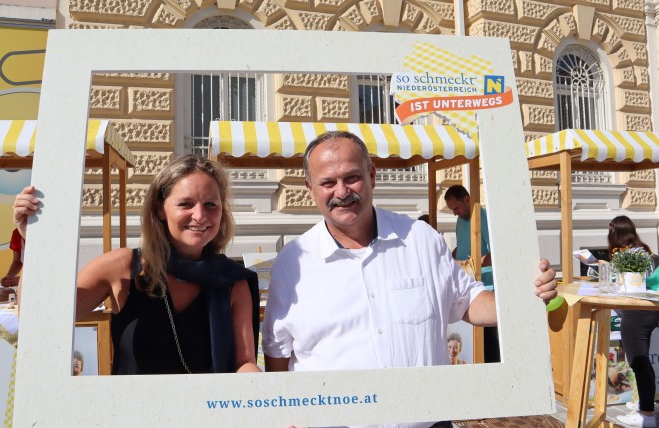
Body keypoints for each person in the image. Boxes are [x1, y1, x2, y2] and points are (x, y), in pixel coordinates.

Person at [261, 131, 557, 428]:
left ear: (372, 175)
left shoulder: (420, 239)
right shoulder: (293, 262)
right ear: (310, 189)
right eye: (328, 182)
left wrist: (526, 295)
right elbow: (277, 355)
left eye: (352, 177)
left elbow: (469, 301)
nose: (341, 191)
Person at [13, 154, 261, 375]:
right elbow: (41, 318)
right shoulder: (123, 266)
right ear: (160, 209)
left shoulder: (231, 280)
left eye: (211, 205)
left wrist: (262, 396)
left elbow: (245, 362)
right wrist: (34, 243)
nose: (200, 215)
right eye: (185, 204)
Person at [609, 216, 658, 428]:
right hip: (647, 309)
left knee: (639, 361)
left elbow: (632, 284)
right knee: (642, 360)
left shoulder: (631, 254)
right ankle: (643, 404)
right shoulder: (643, 249)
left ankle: (646, 415)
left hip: (636, 309)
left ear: (616, 233)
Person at [443, 184, 499, 363]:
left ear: (467, 200)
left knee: (488, 348)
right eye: (452, 209)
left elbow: (496, 253)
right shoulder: (461, 220)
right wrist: (451, 257)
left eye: (456, 208)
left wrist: (472, 264)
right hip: (464, 288)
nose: (454, 213)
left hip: (484, 290)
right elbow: (464, 246)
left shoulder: (483, 218)